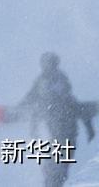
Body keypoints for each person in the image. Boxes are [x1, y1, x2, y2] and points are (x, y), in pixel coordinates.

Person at [19, 53, 84, 187]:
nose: (44, 66)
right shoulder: (42, 80)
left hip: (64, 129)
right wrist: (19, 109)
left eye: (48, 63)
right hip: (55, 129)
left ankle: (54, 182)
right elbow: (32, 96)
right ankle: (52, 181)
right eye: (44, 63)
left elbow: (61, 99)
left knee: (59, 164)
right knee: (54, 165)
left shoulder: (59, 80)